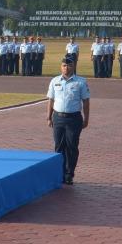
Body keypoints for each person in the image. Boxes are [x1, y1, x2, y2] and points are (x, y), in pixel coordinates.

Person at [46, 57, 91, 186]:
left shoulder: (80, 82)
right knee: (59, 147)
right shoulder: (55, 81)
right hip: (58, 118)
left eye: (69, 66)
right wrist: (48, 117)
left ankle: (69, 174)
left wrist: (86, 118)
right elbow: (51, 100)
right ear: (61, 67)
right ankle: (59, 173)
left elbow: (86, 102)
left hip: (73, 118)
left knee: (72, 146)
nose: (66, 68)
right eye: (64, 65)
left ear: (73, 66)